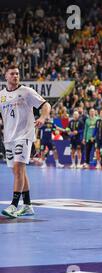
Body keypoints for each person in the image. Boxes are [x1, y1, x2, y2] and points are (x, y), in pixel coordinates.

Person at [0, 65, 51, 218]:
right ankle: (27, 205)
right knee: (18, 171)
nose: (16, 76)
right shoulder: (1, 95)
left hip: (24, 135)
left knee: (18, 167)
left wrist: (42, 117)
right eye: (12, 74)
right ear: (6, 76)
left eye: (17, 73)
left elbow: (45, 104)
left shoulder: (27, 91)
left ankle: (14, 205)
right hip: (9, 137)